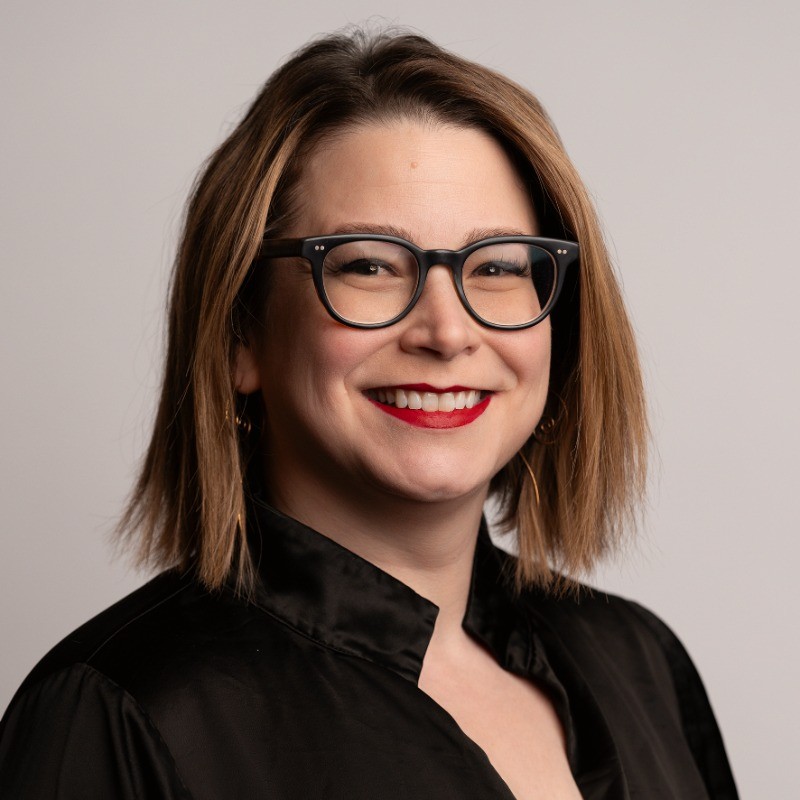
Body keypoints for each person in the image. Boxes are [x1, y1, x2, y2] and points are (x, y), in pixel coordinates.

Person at [0, 28, 738, 799]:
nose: (447, 332)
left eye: (496, 267)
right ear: (240, 334)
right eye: (371, 265)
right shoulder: (122, 712)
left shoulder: (639, 664)